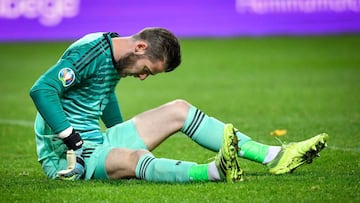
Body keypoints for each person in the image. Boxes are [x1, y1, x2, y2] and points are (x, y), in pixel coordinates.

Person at [29, 27, 328, 183]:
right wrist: (71, 137)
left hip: (95, 142)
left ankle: (274, 156)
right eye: (147, 69)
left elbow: (102, 95)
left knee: (179, 109)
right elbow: (42, 90)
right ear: (140, 47)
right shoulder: (90, 53)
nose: (144, 78)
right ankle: (213, 172)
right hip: (69, 156)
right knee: (135, 157)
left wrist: (118, 131)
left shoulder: (114, 55)